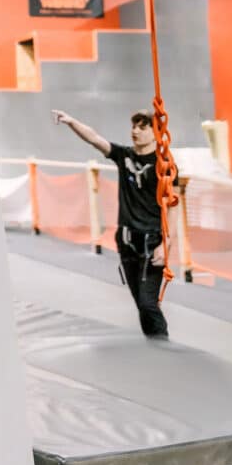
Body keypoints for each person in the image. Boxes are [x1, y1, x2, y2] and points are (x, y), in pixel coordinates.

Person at [52, 109, 172, 338]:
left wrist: (167, 243)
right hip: (127, 241)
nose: (135, 131)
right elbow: (94, 138)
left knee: (148, 304)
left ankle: (164, 345)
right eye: (134, 126)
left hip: (151, 241)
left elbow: (172, 204)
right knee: (141, 304)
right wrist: (71, 122)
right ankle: (155, 344)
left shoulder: (164, 165)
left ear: (156, 133)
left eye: (142, 127)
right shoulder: (124, 156)